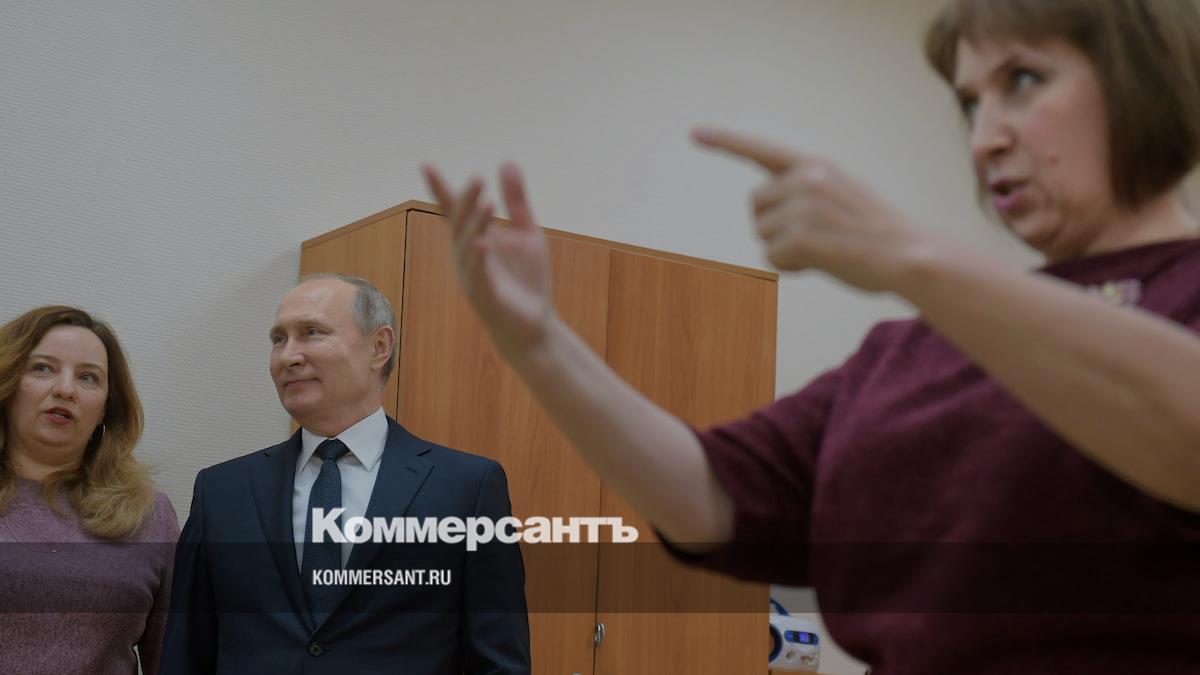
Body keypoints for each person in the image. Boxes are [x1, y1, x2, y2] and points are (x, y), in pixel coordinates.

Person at [421, 0, 1200, 672]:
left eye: (1022, 80)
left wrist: (908, 253)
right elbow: (708, 496)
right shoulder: (910, 352)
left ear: (1140, 78)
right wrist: (542, 345)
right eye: (970, 103)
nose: (984, 138)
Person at [162, 273, 530, 674]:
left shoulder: (467, 488)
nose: (288, 356)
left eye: (311, 332)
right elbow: (186, 655)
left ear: (379, 347)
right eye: (278, 339)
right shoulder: (221, 492)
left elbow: (498, 662)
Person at [0, 305, 179, 675]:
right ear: (9, 382)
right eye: (43, 368)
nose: (65, 389)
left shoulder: (150, 514)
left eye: (88, 377)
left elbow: (174, 658)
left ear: (105, 410)